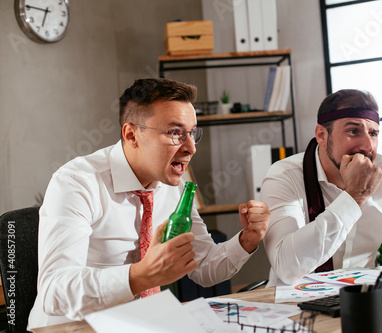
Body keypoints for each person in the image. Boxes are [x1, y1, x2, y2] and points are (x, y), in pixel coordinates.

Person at [28, 78, 270, 329]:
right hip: (72, 328)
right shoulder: (78, 183)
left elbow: (203, 266)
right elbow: (54, 291)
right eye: (175, 133)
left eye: (192, 133)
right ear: (132, 135)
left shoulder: (171, 184)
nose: (191, 148)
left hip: (141, 323)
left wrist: (246, 241)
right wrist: (140, 276)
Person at [261, 89, 382, 286]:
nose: (367, 146)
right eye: (353, 131)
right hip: (295, 306)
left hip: (364, 299)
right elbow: (287, 268)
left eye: (373, 133)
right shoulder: (283, 176)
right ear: (322, 135)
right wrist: (354, 196)